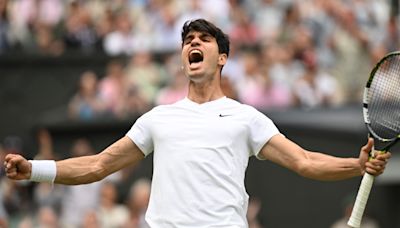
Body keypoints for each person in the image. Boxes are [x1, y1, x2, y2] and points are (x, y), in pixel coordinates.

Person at [4, 19, 391, 228]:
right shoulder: (158, 118)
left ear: (221, 57)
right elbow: (97, 165)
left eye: (204, 39)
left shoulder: (246, 117)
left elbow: (305, 161)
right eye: (188, 38)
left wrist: (355, 166)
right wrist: (33, 169)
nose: (194, 43)